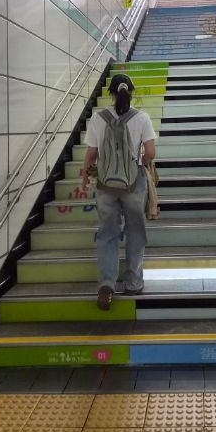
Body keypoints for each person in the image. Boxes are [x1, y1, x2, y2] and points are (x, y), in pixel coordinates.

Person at [81, 73, 156, 310]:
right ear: (131, 92)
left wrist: (85, 176)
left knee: (107, 233)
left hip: (105, 185)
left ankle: (106, 285)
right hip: (133, 184)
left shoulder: (97, 118)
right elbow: (150, 153)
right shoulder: (142, 118)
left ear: (111, 94)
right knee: (135, 231)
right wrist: (140, 164)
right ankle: (133, 282)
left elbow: (91, 154)